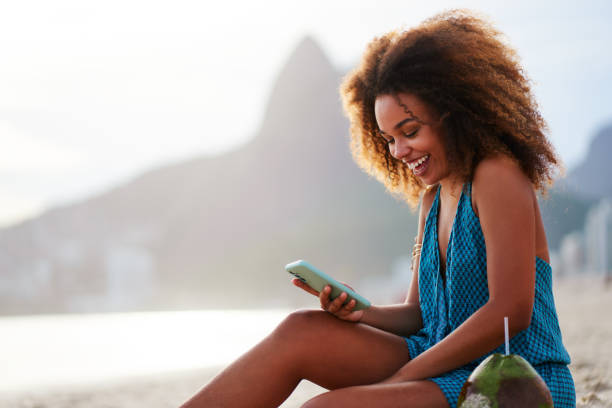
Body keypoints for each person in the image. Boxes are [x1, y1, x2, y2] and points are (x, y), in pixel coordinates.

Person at [180, 9, 575, 408]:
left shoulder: (496, 175)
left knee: (323, 407)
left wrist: (401, 378)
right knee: (301, 330)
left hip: (513, 381)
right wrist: (361, 311)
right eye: (388, 138)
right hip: (439, 357)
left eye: (410, 131)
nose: (399, 151)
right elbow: (419, 315)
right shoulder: (432, 200)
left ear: (455, 114)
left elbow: (510, 312)